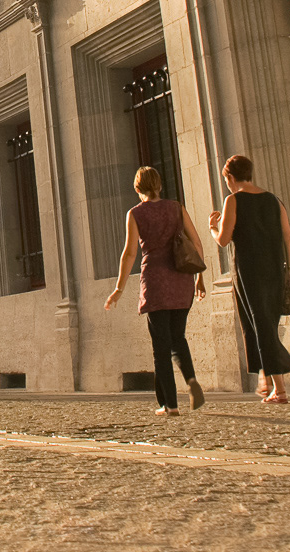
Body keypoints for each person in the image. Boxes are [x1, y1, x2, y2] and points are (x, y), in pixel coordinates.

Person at [104, 167, 209, 415]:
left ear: (137, 189)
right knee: (178, 337)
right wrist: (200, 278)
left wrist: (119, 288)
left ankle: (169, 405)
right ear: (160, 185)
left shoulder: (135, 214)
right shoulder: (176, 207)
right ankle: (192, 381)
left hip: (155, 282)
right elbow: (196, 243)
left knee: (160, 347)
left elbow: (130, 253)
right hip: (182, 280)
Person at [210, 154, 290, 403]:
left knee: (259, 325)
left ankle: (278, 389)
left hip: (249, 271)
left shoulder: (233, 200)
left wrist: (212, 228)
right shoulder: (273, 200)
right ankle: (265, 377)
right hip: (275, 270)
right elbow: (289, 238)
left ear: (230, 177)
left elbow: (224, 239)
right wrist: (288, 269)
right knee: (263, 323)